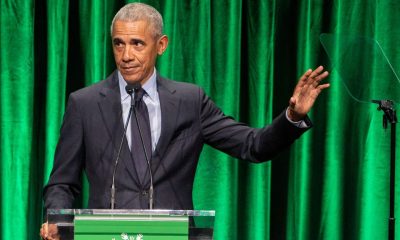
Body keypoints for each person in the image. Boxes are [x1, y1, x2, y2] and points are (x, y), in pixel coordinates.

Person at [40, 2, 329, 239]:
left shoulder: (190, 101)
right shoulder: (85, 103)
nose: (126, 55)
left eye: (137, 44)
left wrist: (293, 116)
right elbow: (61, 183)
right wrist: (56, 218)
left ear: (161, 45)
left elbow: (253, 146)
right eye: (119, 44)